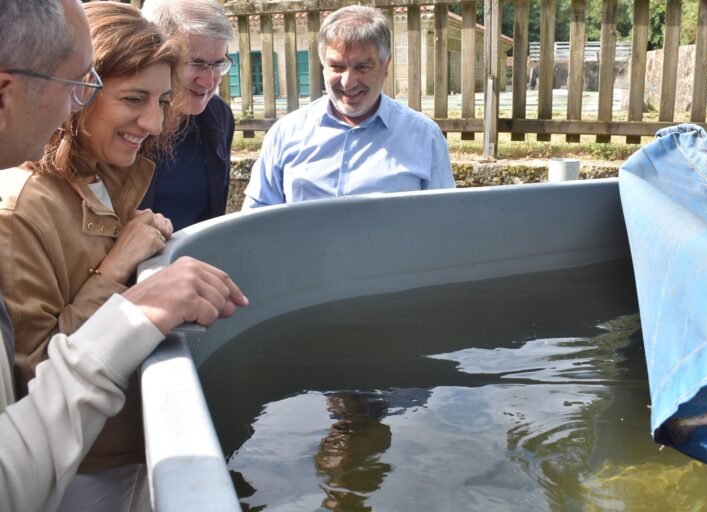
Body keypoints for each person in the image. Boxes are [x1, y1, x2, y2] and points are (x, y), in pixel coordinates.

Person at [0, 1, 247, 510]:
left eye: (161, 101)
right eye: (135, 98)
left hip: (128, 446)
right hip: (76, 472)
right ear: (83, 92)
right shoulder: (22, 209)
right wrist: (118, 273)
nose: (155, 123)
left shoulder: (113, 177)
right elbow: (32, 386)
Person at [241, 5, 455, 209]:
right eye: (336, 66)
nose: (347, 83)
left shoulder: (425, 138)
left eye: (362, 67)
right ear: (322, 64)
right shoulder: (285, 135)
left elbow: (443, 225)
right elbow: (255, 222)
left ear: (385, 66)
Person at [139, 0, 236, 230]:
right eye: (196, 63)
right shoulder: (124, 121)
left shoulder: (218, 116)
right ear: (155, 52)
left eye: (217, 65)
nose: (209, 81)